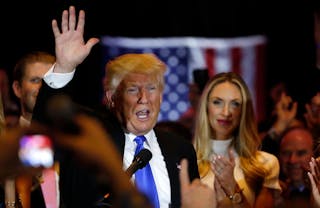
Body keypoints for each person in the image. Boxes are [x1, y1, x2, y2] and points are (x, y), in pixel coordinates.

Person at [32, 5, 199, 208]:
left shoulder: (181, 149)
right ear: (111, 97)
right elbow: (42, 132)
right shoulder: (88, 141)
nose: (144, 98)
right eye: (132, 89)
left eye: (152, 88)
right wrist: (64, 68)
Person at [193, 72, 282, 207]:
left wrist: (233, 188)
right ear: (206, 107)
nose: (226, 112)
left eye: (235, 104)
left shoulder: (265, 164)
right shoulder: (184, 162)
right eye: (217, 102)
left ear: (244, 111)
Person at [277, 126, 314, 207]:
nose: (292, 160)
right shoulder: (273, 195)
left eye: (301, 153)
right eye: (286, 153)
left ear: (314, 155)